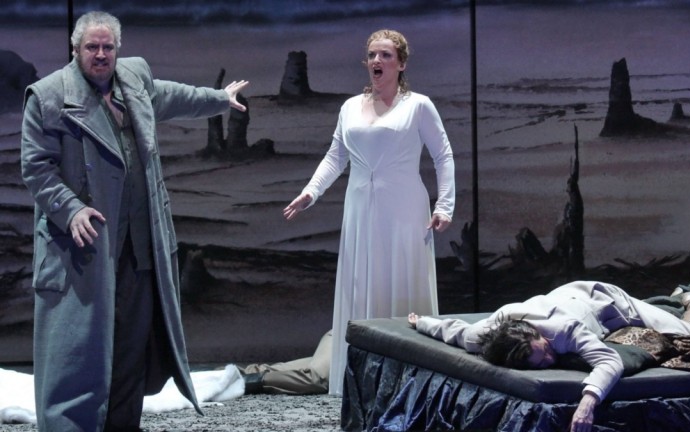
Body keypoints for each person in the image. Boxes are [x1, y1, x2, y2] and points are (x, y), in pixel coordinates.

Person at [20, 11, 249, 431]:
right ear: (75, 49)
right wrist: (70, 208)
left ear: (118, 49)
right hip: (84, 249)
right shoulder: (49, 96)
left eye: (108, 47)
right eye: (92, 47)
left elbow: (171, 95)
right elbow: (36, 168)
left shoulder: (133, 78)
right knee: (79, 353)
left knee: (131, 345)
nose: (101, 54)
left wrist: (218, 98)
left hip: (138, 247)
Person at [283, 29, 455, 396]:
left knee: (402, 284)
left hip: (404, 209)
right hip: (360, 208)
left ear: (401, 64)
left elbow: (443, 155)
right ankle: (360, 383)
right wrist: (311, 192)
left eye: (386, 55)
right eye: (372, 55)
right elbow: (336, 156)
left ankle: (408, 383)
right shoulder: (350, 107)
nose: (377, 61)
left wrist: (445, 205)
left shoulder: (418, 105)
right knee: (361, 284)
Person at [408, 281, 690, 432]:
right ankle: (673, 299)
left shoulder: (563, 329)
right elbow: (453, 331)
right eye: (539, 364)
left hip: (607, 300)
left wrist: (588, 402)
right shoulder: (486, 336)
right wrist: (421, 322)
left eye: (545, 352)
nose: (548, 361)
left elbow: (609, 360)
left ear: (541, 335)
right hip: (568, 297)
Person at [240, 330, 332, 395]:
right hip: (339, 337)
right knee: (315, 378)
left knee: (262, 371)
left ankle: (238, 376)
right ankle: (242, 382)